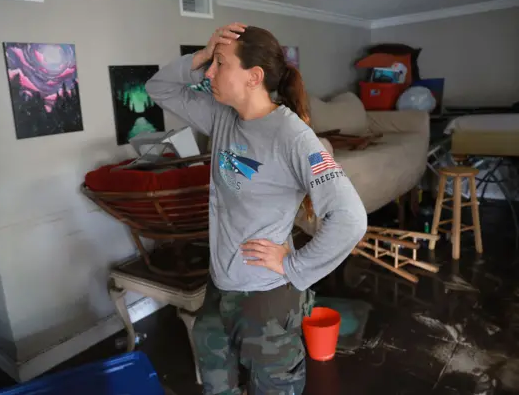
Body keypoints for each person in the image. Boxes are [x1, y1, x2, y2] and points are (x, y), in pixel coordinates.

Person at [146, 23, 367, 395]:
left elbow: (350, 218)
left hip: (266, 301)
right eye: (210, 63)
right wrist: (201, 55)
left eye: (219, 64)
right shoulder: (222, 118)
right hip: (219, 289)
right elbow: (159, 88)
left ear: (254, 76)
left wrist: (293, 265)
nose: (210, 73)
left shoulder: (293, 136)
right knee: (217, 387)